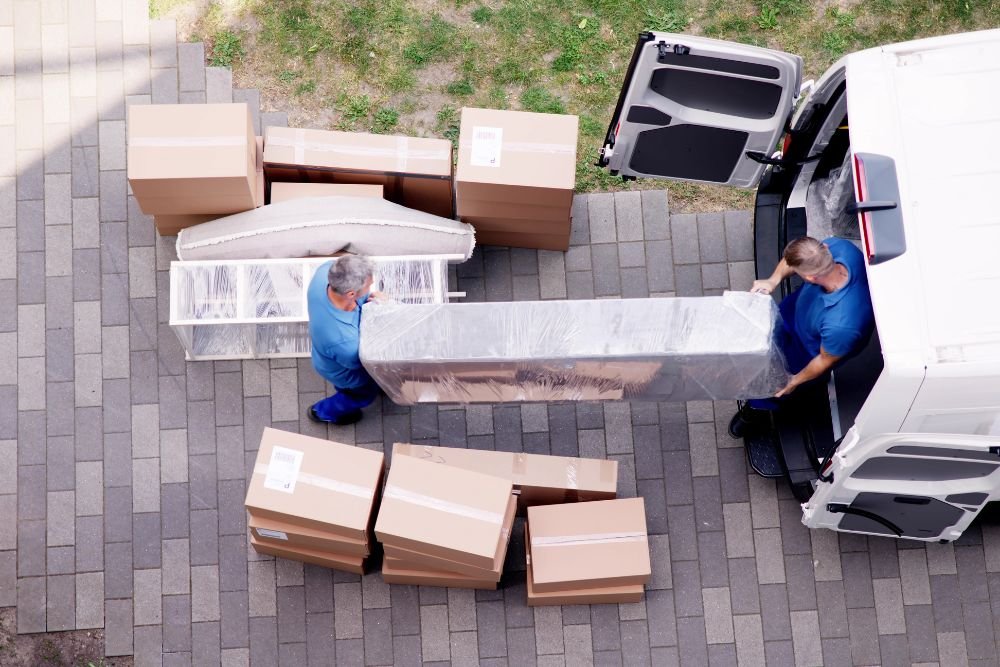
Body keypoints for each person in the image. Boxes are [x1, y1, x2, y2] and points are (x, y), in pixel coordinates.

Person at [729, 236, 875, 438]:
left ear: (810, 279)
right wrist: (774, 280)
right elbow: (792, 260)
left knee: (774, 383)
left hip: (806, 351)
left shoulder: (843, 324)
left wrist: (794, 381)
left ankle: (757, 411)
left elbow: (824, 360)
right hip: (796, 313)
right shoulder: (838, 247)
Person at [306, 255, 383, 426]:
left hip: (325, 355)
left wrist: (373, 299)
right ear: (351, 294)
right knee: (360, 395)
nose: (371, 287)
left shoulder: (326, 272)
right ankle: (325, 412)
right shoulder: (346, 343)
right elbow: (363, 364)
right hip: (347, 374)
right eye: (369, 285)